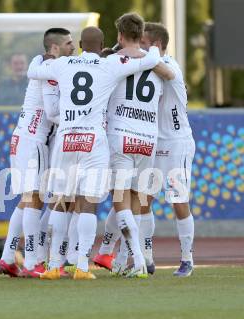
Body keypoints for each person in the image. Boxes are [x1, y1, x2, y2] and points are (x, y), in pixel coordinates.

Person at [27, 26, 161, 280]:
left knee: (61, 201)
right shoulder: (109, 64)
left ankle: (54, 266)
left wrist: (41, 58)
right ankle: (82, 267)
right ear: (102, 46)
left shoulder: (64, 64)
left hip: (66, 138)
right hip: (93, 140)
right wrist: (153, 47)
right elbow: (151, 60)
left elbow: (34, 72)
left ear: (79, 44)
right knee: (88, 204)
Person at [92, 13, 174, 278]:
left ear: (119, 35)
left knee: (120, 200)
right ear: (142, 36)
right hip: (147, 139)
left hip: (121, 136)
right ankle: (132, 259)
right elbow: (170, 75)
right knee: (138, 201)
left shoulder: (113, 62)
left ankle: (137, 260)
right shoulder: (156, 64)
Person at [0, 28, 75, 278]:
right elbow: (52, 112)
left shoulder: (42, 64)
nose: (72, 47)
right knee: (35, 199)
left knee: (26, 199)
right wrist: (81, 119)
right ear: (54, 47)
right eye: (68, 43)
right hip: (34, 141)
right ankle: (33, 262)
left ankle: (8, 258)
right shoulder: (50, 68)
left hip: (23, 138)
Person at [136, 22, 196, 277]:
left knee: (178, 200)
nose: (139, 47)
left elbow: (166, 74)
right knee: (144, 199)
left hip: (176, 143)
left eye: (143, 43)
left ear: (156, 45)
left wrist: (136, 54)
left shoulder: (170, 65)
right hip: (153, 143)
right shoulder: (146, 65)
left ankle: (187, 258)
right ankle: (147, 257)